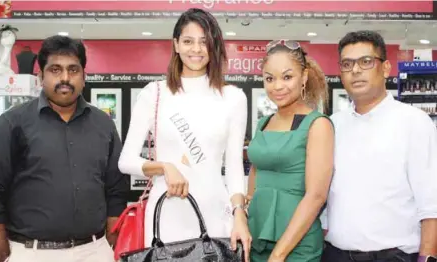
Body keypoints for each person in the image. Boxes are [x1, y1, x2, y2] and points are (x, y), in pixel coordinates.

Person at [118, 7, 252, 261]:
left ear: (214, 47)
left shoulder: (233, 97)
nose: (197, 49)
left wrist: (239, 215)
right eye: (188, 41)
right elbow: (125, 161)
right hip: (166, 214)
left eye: (205, 42)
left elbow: (234, 168)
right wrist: (165, 167)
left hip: (215, 212)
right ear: (176, 45)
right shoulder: (154, 93)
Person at [0, 35, 129, 262]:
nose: (65, 78)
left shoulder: (104, 125)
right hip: (31, 252)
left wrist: (109, 242)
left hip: (94, 251)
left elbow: (116, 188)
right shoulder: (12, 124)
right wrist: (0, 250)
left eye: (73, 70)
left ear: (84, 77)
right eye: (55, 70)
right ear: (41, 76)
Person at [322, 30, 437, 262]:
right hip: (335, 255)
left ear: (385, 68)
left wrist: (428, 258)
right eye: (347, 64)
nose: (355, 70)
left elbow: (431, 205)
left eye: (365, 62)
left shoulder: (414, 122)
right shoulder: (332, 125)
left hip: (394, 256)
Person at [246, 40, 334, 262]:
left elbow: (316, 196)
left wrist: (278, 254)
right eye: (269, 78)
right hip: (257, 237)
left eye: (287, 77)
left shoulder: (318, 124)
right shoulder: (263, 123)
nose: (277, 86)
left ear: (303, 77)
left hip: (296, 245)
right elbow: (256, 173)